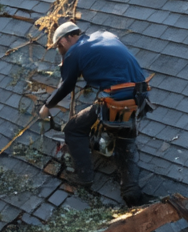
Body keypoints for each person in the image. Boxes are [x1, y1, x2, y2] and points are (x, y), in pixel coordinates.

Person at [38, 21, 148, 206]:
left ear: (67, 38)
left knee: (73, 129)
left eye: (60, 45)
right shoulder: (105, 35)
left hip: (117, 100)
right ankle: (132, 193)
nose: (61, 49)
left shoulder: (74, 52)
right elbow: (110, 63)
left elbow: (66, 85)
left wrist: (46, 107)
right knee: (124, 140)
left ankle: (84, 177)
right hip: (140, 97)